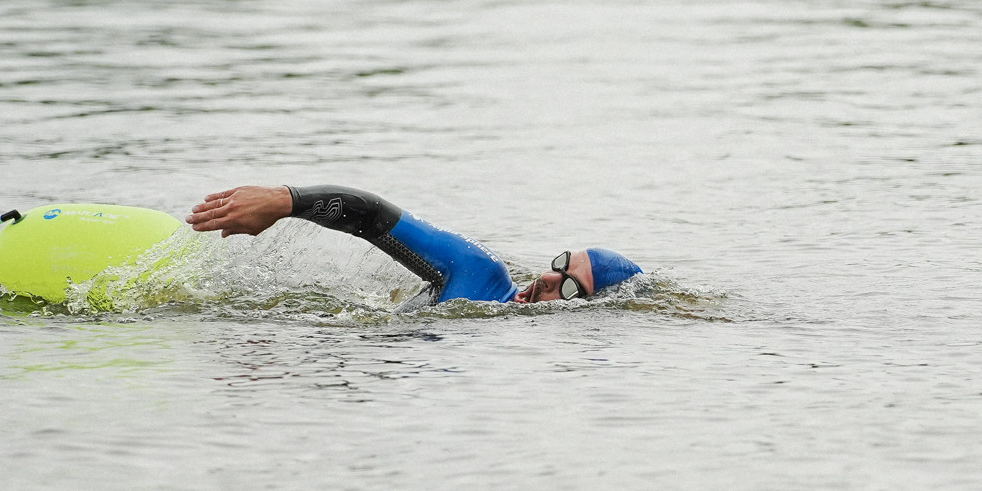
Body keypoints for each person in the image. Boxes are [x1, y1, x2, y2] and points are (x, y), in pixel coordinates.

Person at [189, 184, 642, 305]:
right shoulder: (483, 276)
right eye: (559, 264)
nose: (547, 278)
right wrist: (283, 199)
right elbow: (371, 214)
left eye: (568, 287)